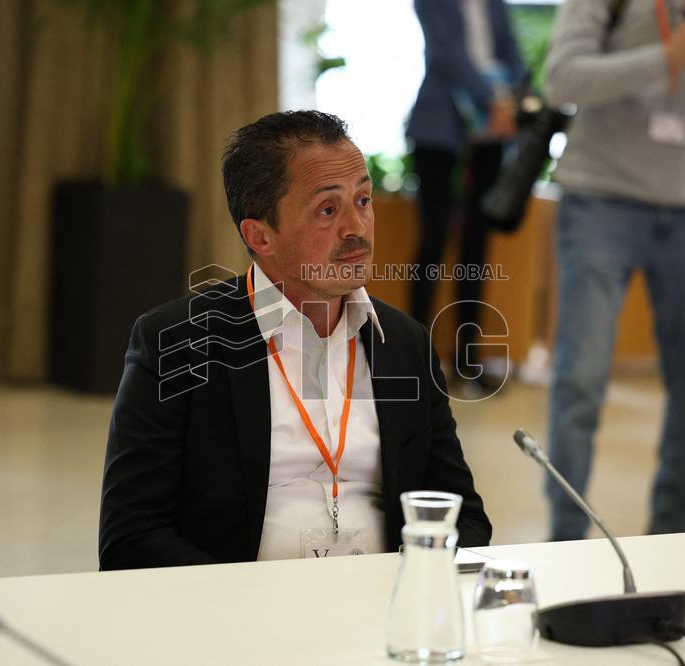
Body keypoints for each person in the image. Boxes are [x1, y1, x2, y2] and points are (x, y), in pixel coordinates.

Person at [98, 110, 491, 570]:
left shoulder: (404, 343)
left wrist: (408, 582)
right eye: (328, 209)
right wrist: (254, 603)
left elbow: (463, 514)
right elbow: (131, 537)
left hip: (378, 609)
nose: (356, 228)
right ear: (259, 235)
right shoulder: (178, 341)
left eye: (363, 201)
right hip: (241, 618)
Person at [543, 0, 685, 541]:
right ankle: (564, 539)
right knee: (580, 383)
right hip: (600, 200)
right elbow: (561, 79)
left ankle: (673, 532)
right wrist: (666, 56)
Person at [406, 0, 524, 390]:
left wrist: (515, 103)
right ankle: (415, 361)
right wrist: (494, 100)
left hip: (491, 133)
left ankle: (467, 359)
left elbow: (512, 51)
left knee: (477, 244)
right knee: (434, 242)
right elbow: (447, 53)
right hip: (441, 130)